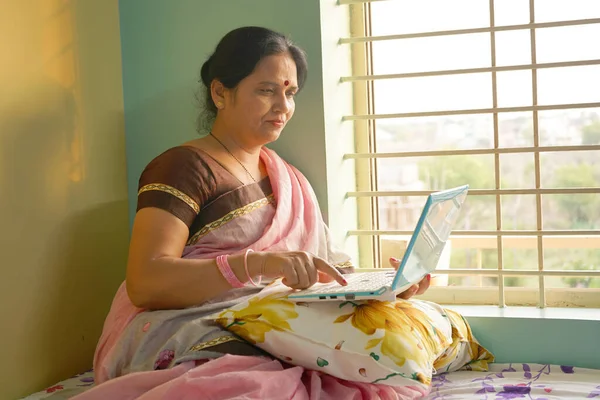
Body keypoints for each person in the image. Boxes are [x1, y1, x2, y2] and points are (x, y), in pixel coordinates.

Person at [87, 26, 430, 398]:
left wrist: (387, 286)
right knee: (261, 385)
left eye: (290, 92)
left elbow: (328, 270)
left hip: (272, 322)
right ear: (220, 92)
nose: (283, 106)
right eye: (267, 90)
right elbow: (146, 283)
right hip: (191, 327)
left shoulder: (288, 177)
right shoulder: (182, 167)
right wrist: (259, 265)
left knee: (412, 327)